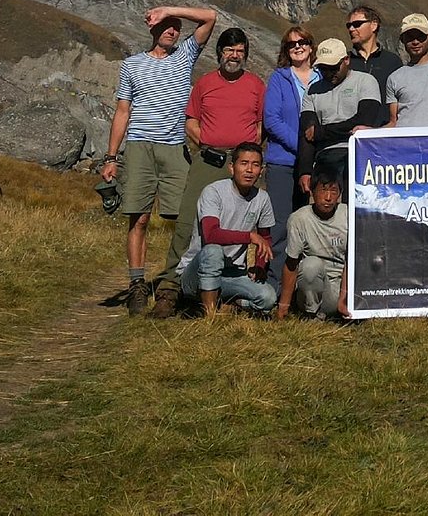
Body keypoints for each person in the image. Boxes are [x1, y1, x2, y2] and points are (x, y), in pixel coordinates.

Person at [101, 4, 216, 317]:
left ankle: (172, 283)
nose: (172, 30)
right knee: (138, 217)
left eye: (175, 26)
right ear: (152, 29)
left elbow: (210, 17)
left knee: (183, 218)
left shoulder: (185, 55)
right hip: (139, 147)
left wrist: (168, 9)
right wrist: (111, 156)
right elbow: (123, 111)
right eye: (166, 25)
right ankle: (137, 285)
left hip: (174, 147)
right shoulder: (132, 65)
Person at [150, 27, 266, 318]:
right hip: (209, 161)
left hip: (242, 163)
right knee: (188, 220)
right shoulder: (205, 84)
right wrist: (208, 143)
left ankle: (229, 286)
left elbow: (260, 125)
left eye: (240, 51)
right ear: (219, 53)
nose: (234, 56)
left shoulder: (256, 85)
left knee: (244, 220)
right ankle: (170, 288)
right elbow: (190, 120)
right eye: (229, 50)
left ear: (246, 55)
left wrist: (246, 156)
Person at [177, 143, 277, 317]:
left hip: (233, 272)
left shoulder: (262, 198)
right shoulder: (213, 192)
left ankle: (228, 302)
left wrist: (259, 266)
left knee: (267, 297)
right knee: (213, 251)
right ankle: (209, 314)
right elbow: (211, 234)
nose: (249, 170)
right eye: (244, 163)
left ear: (261, 170)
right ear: (232, 167)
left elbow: (265, 238)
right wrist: (249, 236)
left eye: (255, 165)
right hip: (200, 270)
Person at [296, 38, 385, 198]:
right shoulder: (312, 90)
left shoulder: (366, 81)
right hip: (324, 158)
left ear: (346, 60)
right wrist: (305, 171)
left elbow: (364, 121)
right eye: (324, 69)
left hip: (358, 155)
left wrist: (322, 132)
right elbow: (308, 133)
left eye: (333, 68)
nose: (329, 73)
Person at [263, 25, 320, 250]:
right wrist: (302, 147)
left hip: (314, 163)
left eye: (302, 42)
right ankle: (275, 281)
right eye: (291, 44)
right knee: (279, 224)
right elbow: (272, 119)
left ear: (311, 46)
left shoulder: (322, 76)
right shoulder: (279, 78)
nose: (297, 47)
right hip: (283, 161)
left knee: (306, 222)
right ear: (285, 50)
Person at [277, 160, 349, 319]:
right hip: (310, 288)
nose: (328, 197)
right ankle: (311, 314)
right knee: (311, 265)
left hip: (340, 288)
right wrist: (283, 306)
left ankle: (334, 312)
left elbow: (352, 261)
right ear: (312, 190)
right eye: (323, 190)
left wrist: (344, 297)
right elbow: (291, 263)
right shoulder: (298, 219)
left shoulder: (348, 215)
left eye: (334, 191)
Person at [346, 4, 403, 102]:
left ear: (373, 25)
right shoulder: (345, 62)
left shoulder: (392, 61)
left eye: (357, 24)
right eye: (349, 25)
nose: (351, 29)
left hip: (384, 117)